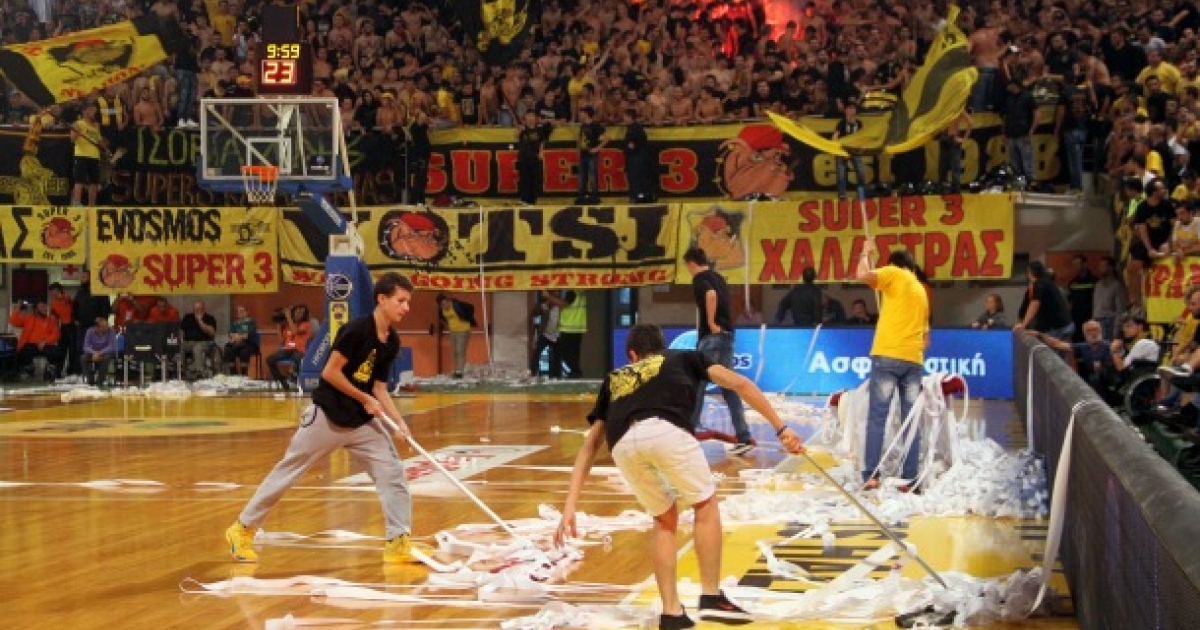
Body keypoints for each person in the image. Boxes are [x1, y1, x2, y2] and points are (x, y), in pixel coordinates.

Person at [554, 323, 804, 630]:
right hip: (665, 428)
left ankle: (671, 613)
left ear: (632, 355)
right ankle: (711, 597)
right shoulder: (685, 357)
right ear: (663, 346)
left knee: (664, 519)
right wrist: (781, 428)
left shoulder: (615, 378)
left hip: (622, 445)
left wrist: (570, 505)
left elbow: (591, 444)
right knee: (705, 505)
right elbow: (740, 384)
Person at [225, 273, 418, 564]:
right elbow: (330, 372)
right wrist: (364, 398)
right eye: (401, 301)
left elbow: (379, 388)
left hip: (361, 422)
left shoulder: (391, 341)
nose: (406, 308)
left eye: (408, 302)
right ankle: (242, 529)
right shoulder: (356, 330)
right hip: (327, 416)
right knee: (288, 472)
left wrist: (400, 423)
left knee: (393, 475)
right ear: (382, 299)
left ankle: (398, 542)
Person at [854, 240, 929, 487]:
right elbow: (925, 339)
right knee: (911, 421)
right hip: (913, 360)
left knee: (878, 418)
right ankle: (910, 478)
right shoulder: (921, 291)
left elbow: (862, 275)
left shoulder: (894, 273)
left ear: (894, 264)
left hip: (887, 355)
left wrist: (865, 253)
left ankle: (872, 476)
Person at [682, 246, 754, 454]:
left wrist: (711, 322)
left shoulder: (700, 279)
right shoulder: (719, 277)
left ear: (691, 263)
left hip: (713, 338)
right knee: (730, 388)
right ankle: (744, 436)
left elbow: (711, 295)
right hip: (727, 336)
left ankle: (688, 431)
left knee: (698, 383)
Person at [1031, 319, 1112, 396]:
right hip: (1094, 382)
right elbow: (1057, 344)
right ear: (1085, 334)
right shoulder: (1083, 346)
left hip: (1109, 381)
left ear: (1101, 331)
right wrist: (1039, 335)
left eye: (1095, 329)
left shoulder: (1109, 346)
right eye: (1089, 331)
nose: (1093, 333)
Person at [1014, 261, 1074, 342]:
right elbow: (1026, 306)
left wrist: (1023, 324)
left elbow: (1034, 304)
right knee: (1063, 347)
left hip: (1056, 327)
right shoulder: (1048, 283)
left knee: (1049, 348)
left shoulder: (1039, 284)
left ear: (1030, 272)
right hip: (1067, 324)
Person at [8, 300, 62, 381]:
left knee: (55, 351)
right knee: (24, 351)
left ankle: (49, 371)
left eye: (45, 307)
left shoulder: (51, 321)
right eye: (42, 307)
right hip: (30, 345)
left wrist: (45, 342)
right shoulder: (28, 318)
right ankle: (28, 370)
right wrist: (17, 309)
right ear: (36, 310)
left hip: (45, 344)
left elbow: (56, 334)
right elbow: (13, 321)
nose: (44, 309)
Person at [268, 304, 312, 391]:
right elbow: (281, 341)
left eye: (301, 312)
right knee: (270, 359)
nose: (299, 314)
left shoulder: (306, 325)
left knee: (298, 359)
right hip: (286, 350)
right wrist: (278, 325)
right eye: (297, 312)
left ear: (304, 315)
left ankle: (297, 381)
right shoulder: (288, 326)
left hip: (299, 350)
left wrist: (288, 316)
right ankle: (282, 380)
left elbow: (295, 331)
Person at [70, 101, 105, 206]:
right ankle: (76, 203)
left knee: (94, 182)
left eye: (94, 110)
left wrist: (105, 147)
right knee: (79, 180)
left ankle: (91, 205)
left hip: (94, 156)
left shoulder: (96, 125)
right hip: (81, 155)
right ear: (85, 111)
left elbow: (99, 140)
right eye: (91, 110)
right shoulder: (78, 123)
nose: (94, 112)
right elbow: (72, 139)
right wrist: (76, 133)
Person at [832, 102, 866, 200]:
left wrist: (862, 146)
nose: (851, 110)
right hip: (842, 150)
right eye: (849, 108)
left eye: (853, 108)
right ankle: (842, 195)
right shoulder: (841, 123)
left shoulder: (859, 123)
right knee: (841, 173)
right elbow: (835, 136)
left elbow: (863, 136)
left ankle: (861, 193)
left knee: (861, 172)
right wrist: (834, 146)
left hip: (855, 150)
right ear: (845, 111)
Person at [437, 294, 476, 379]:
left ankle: (460, 371)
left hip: (463, 330)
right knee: (455, 351)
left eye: (445, 304)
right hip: (453, 331)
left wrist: (467, 317)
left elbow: (471, 307)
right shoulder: (442, 310)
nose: (444, 306)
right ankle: (456, 369)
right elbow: (443, 318)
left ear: (448, 301)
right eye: (442, 305)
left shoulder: (456, 305)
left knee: (460, 350)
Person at [516, 111, 551, 205]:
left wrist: (541, 152)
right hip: (524, 158)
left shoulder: (539, 130)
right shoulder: (523, 129)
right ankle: (524, 199)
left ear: (535, 118)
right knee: (524, 179)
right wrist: (520, 130)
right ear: (525, 118)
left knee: (535, 180)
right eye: (528, 116)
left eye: (532, 116)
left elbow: (542, 142)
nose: (530, 118)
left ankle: (532, 200)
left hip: (535, 158)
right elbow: (516, 136)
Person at [576, 106, 607, 204]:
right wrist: (578, 148)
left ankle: (594, 196)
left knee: (593, 176)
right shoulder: (583, 125)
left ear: (586, 114)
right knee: (582, 176)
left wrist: (597, 148)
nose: (580, 115)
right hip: (583, 153)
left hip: (592, 154)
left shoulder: (596, 125)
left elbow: (607, 138)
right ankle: (582, 196)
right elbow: (580, 138)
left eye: (581, 113)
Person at [530, 290, 564, 379]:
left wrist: (550, 297)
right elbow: (534, 313)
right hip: (545, 333)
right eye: (556, 291)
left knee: (556, 357)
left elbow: (562, 304)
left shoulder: (561, 302)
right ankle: (532, 373)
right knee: (537, 354)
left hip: (557, 334)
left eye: (558, 291)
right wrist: (545, 305)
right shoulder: (545, 303)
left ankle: (555, 376)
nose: (557, 293)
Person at [180, 300, 218, 379]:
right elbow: (182, 331)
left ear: (204, 309)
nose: (198, 311)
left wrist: (200, 321)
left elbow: (212, 332)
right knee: (179, 346)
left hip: (205, 342)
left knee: (197, 347)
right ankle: (181, 370)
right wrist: (181, 339)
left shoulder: (210, 318)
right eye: (196, 310)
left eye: (200, 309)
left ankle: (200, 372)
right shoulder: (187, 317)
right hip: (189, 342)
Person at [624, 112, 656, 203]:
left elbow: (638, 142)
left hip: (636, 157)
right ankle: (640, 195)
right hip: (635, 157)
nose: (624, 119)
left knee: (637, 178)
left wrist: (632, 146)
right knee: (637, 178)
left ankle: (641, 196)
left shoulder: (636, 128)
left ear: (630, 117)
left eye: (625, 117)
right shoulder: (632, 128)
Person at [223, 304, 260, 377]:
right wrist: (236, 338)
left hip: (249, 344)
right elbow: (230, 333)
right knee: (228, 349)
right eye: (238, 311)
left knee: (244, 351)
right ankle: (233, 373)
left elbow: (250, 334)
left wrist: (240, 337)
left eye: (241, 311)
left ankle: (244, 374)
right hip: (236, 343)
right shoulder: (235, 323)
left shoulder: (251, 322)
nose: (239, 313)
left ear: (247, 312)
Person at [48, 283, 76, 376]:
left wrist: (62, 297)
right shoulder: (53, 302)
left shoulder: (66, 297)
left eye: (53, 291)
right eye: (51, 292)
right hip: (63, 327)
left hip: (72, 326)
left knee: (73, 351)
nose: (52, 294)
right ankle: (58, 372)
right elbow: (54, 317)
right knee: (61, 350)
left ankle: (71, 372)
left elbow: (72, 302)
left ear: (58, 290)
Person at [81, 316, 118, 386]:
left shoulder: (111, 331)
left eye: (107, 325)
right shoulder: (90, 331)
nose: (107, 327)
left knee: (107, 358)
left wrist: (100, 353)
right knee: (83, 358)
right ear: (97, 327)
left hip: (107, 352)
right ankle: (90, 380)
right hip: (94, 352)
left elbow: (111, 346)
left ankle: (99, 381)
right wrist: (94, 353)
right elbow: (85, 346)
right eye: (104, 326)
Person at [1067, 256, 1097, 342]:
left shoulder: (1094, 281)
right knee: (1077, 342)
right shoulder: (1072, 283)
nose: (1076, 267)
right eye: (1074, 265)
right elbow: (1070, 302)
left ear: (1084, 264)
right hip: (1076, 319)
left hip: (1089, 317)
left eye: (1077, 264)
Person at [558, 290, 587, 378]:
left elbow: (563, 304)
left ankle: (575, 371)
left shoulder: (572, 291)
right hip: (578, 327)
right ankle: (575, 372)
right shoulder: (581, 291)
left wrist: (549, 297)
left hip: (569, 327)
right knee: (574, 353)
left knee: (565, 351)